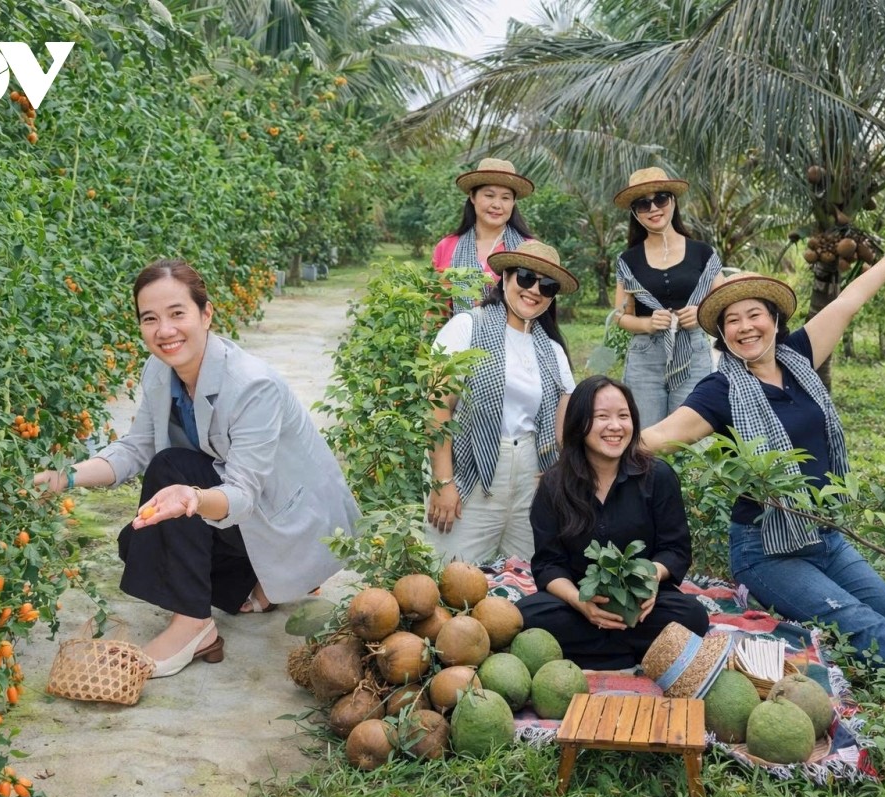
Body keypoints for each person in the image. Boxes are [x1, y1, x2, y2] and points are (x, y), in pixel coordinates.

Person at [640, 221, 885, 723]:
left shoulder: (800, 355)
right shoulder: (721, 391)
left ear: (774, 319)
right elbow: (660, 436)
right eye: (731, 321)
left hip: (824, 534)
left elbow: (846, 303)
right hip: (766, 549)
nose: (744, 327)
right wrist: (592, 442)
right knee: (862, 621)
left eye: (753, 314)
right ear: (721, 334)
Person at [34, 259, 358, 678]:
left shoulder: (251, 386)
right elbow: (136, 447)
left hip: (283, 520)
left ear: (206, 314)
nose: (164, 330)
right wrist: (66, 477)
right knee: (137, 545)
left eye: (177, 314)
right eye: (150, 319)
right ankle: (251, 582)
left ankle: (194, 625)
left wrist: (193, 497)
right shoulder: (159, 371)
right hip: (237, 516)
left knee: (172, 470)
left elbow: (242, 493)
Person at [516, 375, 709, 670]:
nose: (615, 427)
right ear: (579, 424)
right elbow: (547, 563)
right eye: (601, 417)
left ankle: (596, 653)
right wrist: (580, 602)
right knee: (527, 615)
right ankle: (633, 653)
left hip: (644, 604)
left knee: (692, 615)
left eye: (623, 416)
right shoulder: (555, 485)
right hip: (580, 602)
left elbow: (675, 549)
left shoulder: (657, 476)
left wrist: (649, 578)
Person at [427, 240, 577, 565]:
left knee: (527, 577)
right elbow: (437, 406)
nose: (534, 290)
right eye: (526, 277)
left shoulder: (552, 350)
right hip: (472, 468)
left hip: (531, 473)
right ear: (506, 276)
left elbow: (564, 429)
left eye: (547, 285)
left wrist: (556, 479)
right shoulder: (467, 327)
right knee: (450, 574)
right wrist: (442, 482)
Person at [612, 167, 726, 427]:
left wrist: (701, 315)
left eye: (661, 198)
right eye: (643, 203)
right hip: (645, 357)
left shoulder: (703, 253)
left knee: (691, 440)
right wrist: (646, 324)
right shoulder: (627, 260)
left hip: (694, 354)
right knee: (645, 438)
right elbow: (619, 315)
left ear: (673, 201)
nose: (653, 208)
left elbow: (724, 306)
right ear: (634, 212)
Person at [432, 158, 536, 312]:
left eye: (505, 198)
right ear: (472, 197)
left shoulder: (529, 250)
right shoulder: (447, 246)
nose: (497, 204)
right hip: (454, 334)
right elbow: (435, 307)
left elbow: (537, 306)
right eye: (489, 195)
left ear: (513, 202)